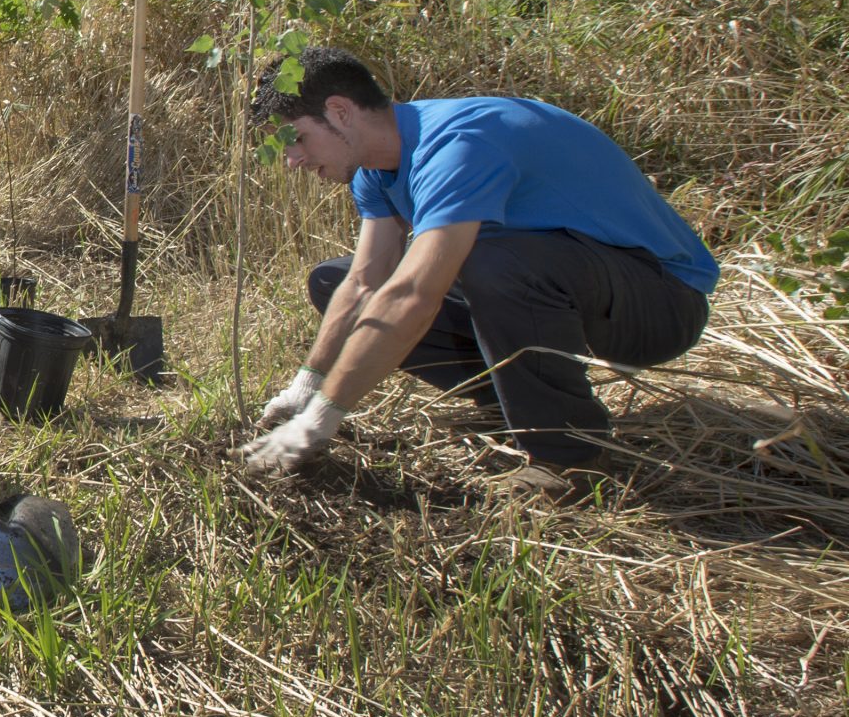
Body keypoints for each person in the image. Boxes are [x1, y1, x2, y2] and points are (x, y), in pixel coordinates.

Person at [239, 47, 718, 499]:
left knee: (490, 261)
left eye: (297, 138)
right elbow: (366, 281)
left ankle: (568, 458)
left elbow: (412, 294)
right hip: (571, 289)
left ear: (341, 112)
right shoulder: (374, 171)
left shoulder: (457, 144)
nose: (293, 160)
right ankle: (516, 401)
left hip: (660, 302)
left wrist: (320, 420)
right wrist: (305, 386)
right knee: (331, 280)